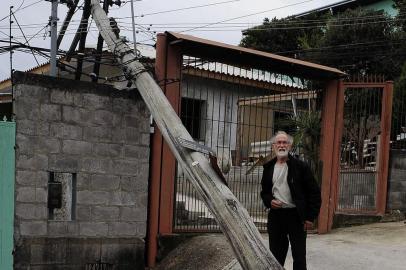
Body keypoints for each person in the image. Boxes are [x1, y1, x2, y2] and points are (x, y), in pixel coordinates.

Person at [260, 131, 321, 270]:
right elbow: (264, 192)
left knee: (299, 256)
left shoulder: (301, 167)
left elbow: (314, 193)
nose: (282, 145)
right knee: (276, 255)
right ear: (273, 146)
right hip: (276, 216)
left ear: (290, 145)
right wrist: (269, 201)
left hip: (296, 215)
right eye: (279, 142)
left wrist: (310, 217)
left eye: (285, 142)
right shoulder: (268, 167)